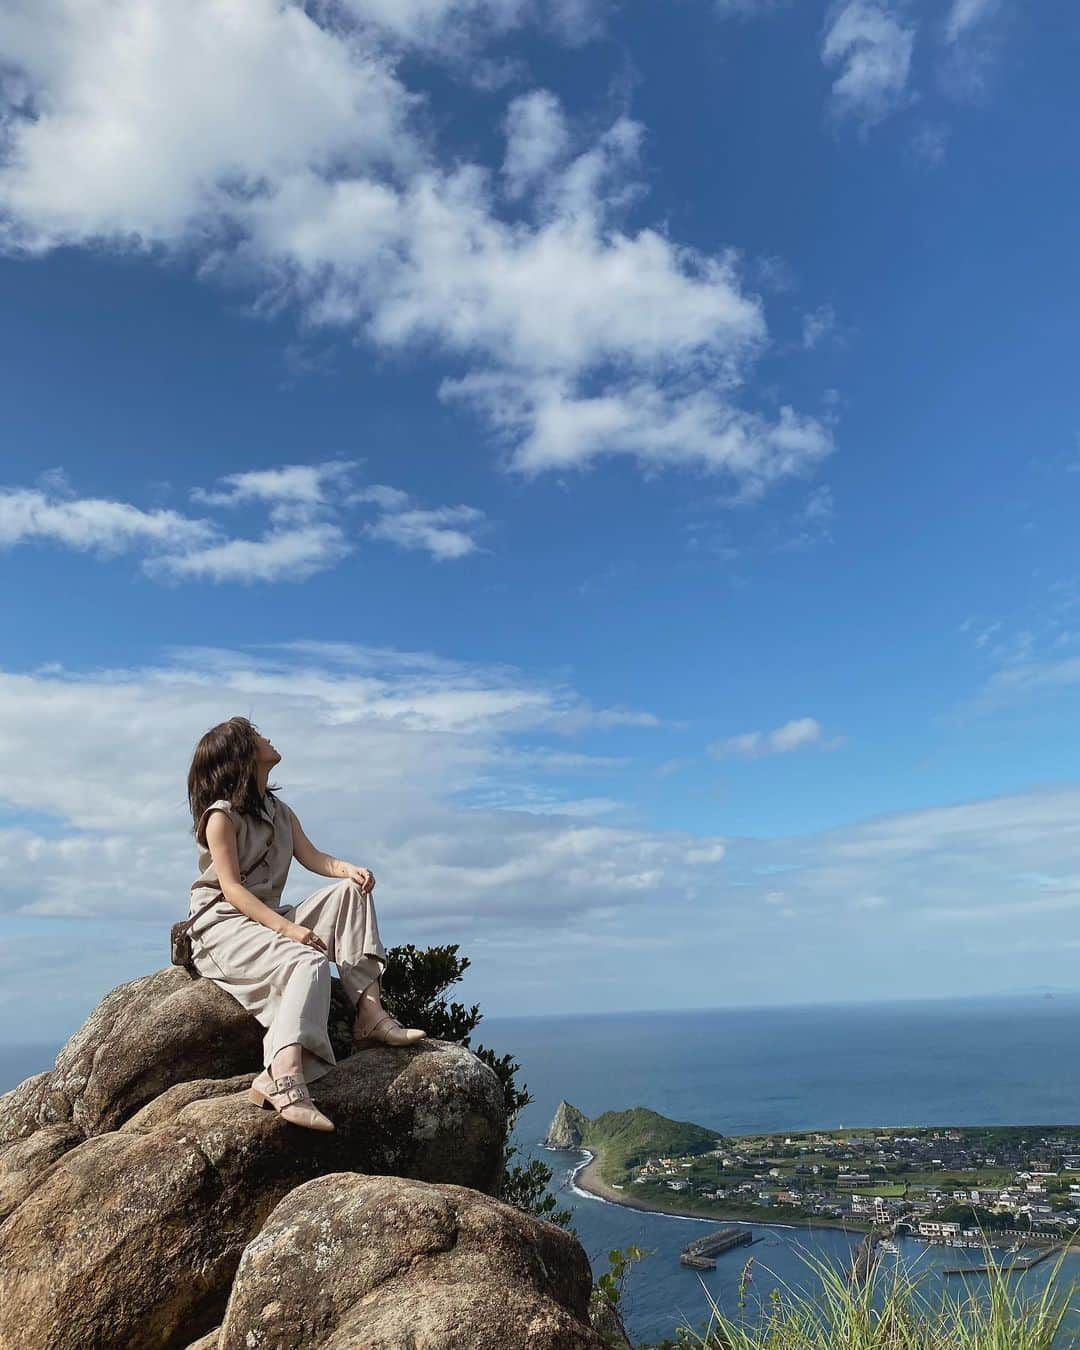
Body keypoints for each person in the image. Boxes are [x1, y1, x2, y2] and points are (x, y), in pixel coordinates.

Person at [185, 716, 426, 1131]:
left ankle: (370, 1015)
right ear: (241, 755)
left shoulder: (279, 811)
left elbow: (313, 858)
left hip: (265, 918)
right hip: (221, 924)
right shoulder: (220, 817)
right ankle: (285, 1075)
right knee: (309, 961)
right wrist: (290, 931)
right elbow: (233, 891)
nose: (268, 737)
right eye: (257, 735)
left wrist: (348, 869)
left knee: (351, 892)